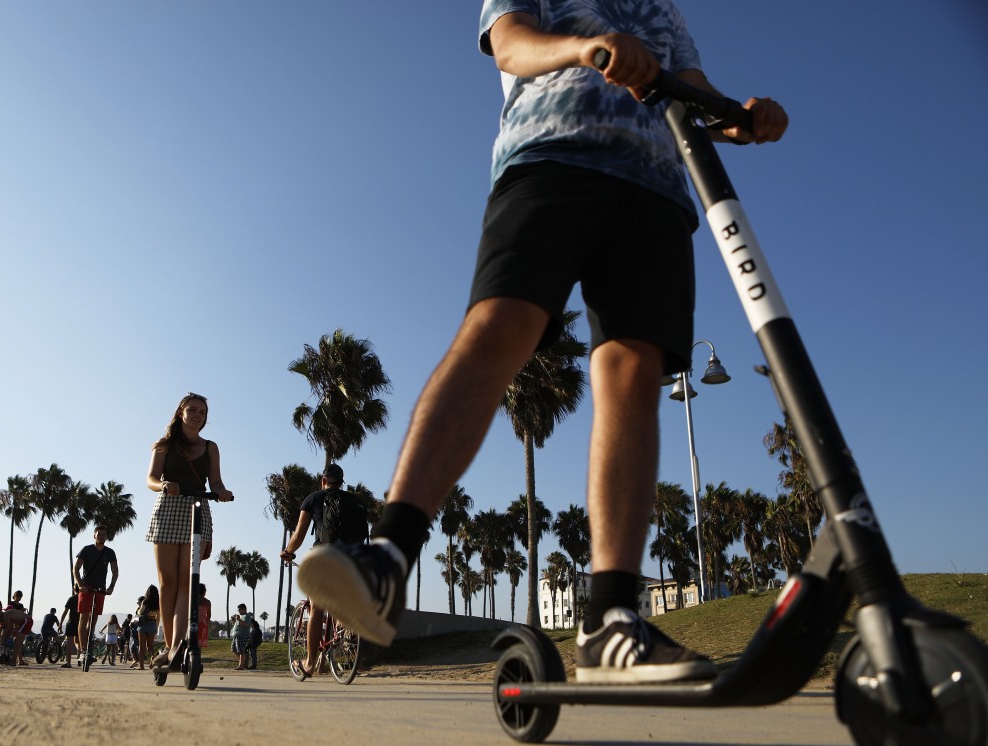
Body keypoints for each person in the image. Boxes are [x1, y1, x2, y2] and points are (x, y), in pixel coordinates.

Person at [297, 0, 787, 684]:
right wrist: (587, 50)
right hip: (550, 156)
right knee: (501, 327)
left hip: (656, 190)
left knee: (633, 373)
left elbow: (692, 89)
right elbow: (511, 45)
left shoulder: (662, 11)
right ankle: (388, 557)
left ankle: (612, 621)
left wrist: (737, 116)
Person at [144, 393, 234, 672]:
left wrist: (222, 491)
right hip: (168, 509)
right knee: (167, 582)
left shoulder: (211, 447)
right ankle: (169, 643)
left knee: (188, 583)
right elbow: (150, 479)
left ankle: (176, 648)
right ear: (181, 412)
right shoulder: (164, 445)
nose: (197, 414)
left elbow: (216, 480)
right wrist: (164, 485)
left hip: (197, 509)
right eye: (192, 409)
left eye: (202, 412)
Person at [281, 463, 368, 676]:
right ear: (341, 482)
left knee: (317, 608)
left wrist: (287, 551)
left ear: (323, 481)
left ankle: (310, 663)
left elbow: (299, 535)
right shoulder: (355, 501)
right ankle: (346, 637)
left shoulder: (313, 498)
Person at [74, 525, 119, 667]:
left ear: (106, 537)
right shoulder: (87, 550)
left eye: (104, 534)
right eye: (99, 534)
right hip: (86, 587)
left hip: (100, 589)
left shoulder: (110, 552)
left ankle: (89, 648)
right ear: (94, 535)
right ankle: (82, 650)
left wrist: (111, 586)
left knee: (93, 621)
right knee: (83, 617)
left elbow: (115, 570)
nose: (101, 536)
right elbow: (76, 568)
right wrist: (80, 584)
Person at [134, 586, 160, 669]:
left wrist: (139, 607)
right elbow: (158, 617)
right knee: (150, 646)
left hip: (143, 624)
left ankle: (141, 665)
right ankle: (153, 659)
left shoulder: (145, 601)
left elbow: (141, 612)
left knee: (142, 646)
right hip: (152, 623)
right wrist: (156, 627)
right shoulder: (158, 603)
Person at [59, 591, 81, 668]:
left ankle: (68, 663)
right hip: (80, 624)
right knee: (79, 643)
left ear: (75, 590)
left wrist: (60, 624)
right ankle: (80, 660)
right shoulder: (83, 598)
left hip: (71, 623)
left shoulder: (71, 599)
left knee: (69, 644)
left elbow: (65, 612)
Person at [230, 604, 253, 670]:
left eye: (239, 610)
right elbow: (237, 625)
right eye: (238, 610)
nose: (238, 611)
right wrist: (235, 621)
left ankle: (241, 665)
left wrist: (239, 620)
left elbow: (246, 625)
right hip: (236, 636)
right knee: (233, 649)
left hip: (243, 635)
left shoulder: (247, 616)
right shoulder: (240, 616)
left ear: (244, 609)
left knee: (241, 651)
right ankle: (243, 662)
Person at [196, 583, 212, 650]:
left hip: (192, 621)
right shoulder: (207, 602)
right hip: (203, 623)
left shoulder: (192, 600)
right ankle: (197, 658)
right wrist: (206, 622)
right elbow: (209, 615)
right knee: (199, 644)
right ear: (204, 591)